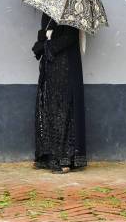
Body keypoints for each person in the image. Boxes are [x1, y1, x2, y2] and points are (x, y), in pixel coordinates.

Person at [31, 12, 87, 173]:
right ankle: (49, 156)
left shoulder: (73, 13)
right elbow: (44, 35)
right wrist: (42, 40)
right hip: (50, 68)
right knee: (50, 111)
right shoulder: (47, 13)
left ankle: (65, 160)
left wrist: (48, 43)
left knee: (64, 111)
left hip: (66, 67)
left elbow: (69, 38)